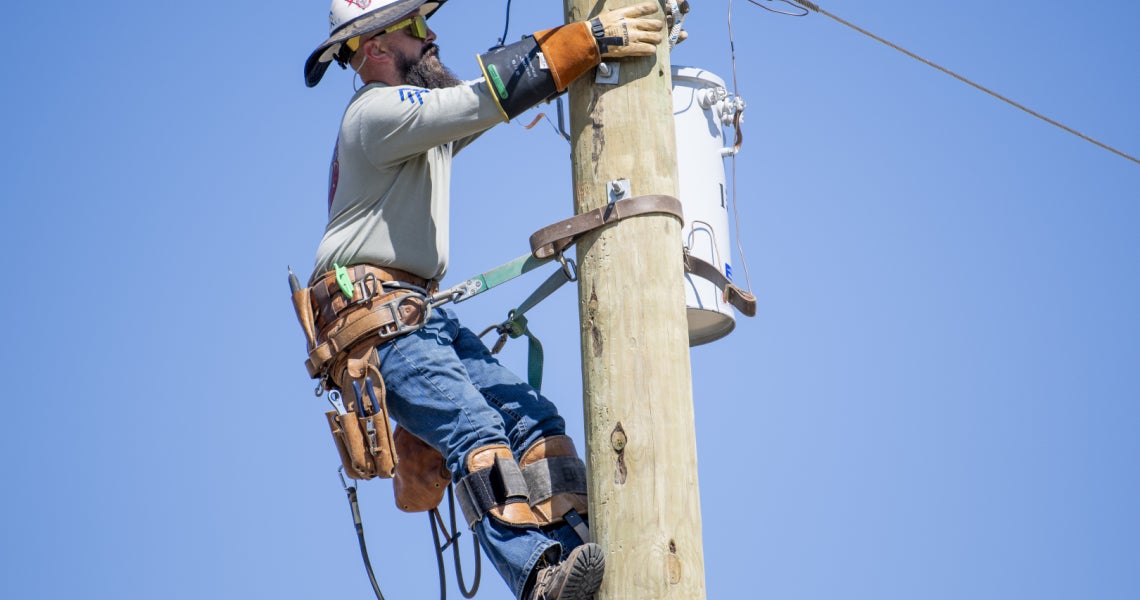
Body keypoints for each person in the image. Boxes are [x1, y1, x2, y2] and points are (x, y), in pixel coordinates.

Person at [300, 1, 665, 599]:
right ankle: (537, 577)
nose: (431, 34)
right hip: (379, 321)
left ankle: (582, 553)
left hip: (417, 313)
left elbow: (485, 105)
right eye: (415, 27)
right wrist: (588, 39)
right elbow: (480, 99)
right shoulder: (377, 111)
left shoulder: (411, 126)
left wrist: (573, 56)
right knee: (477, 430)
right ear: (375, 48)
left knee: (534, 421)